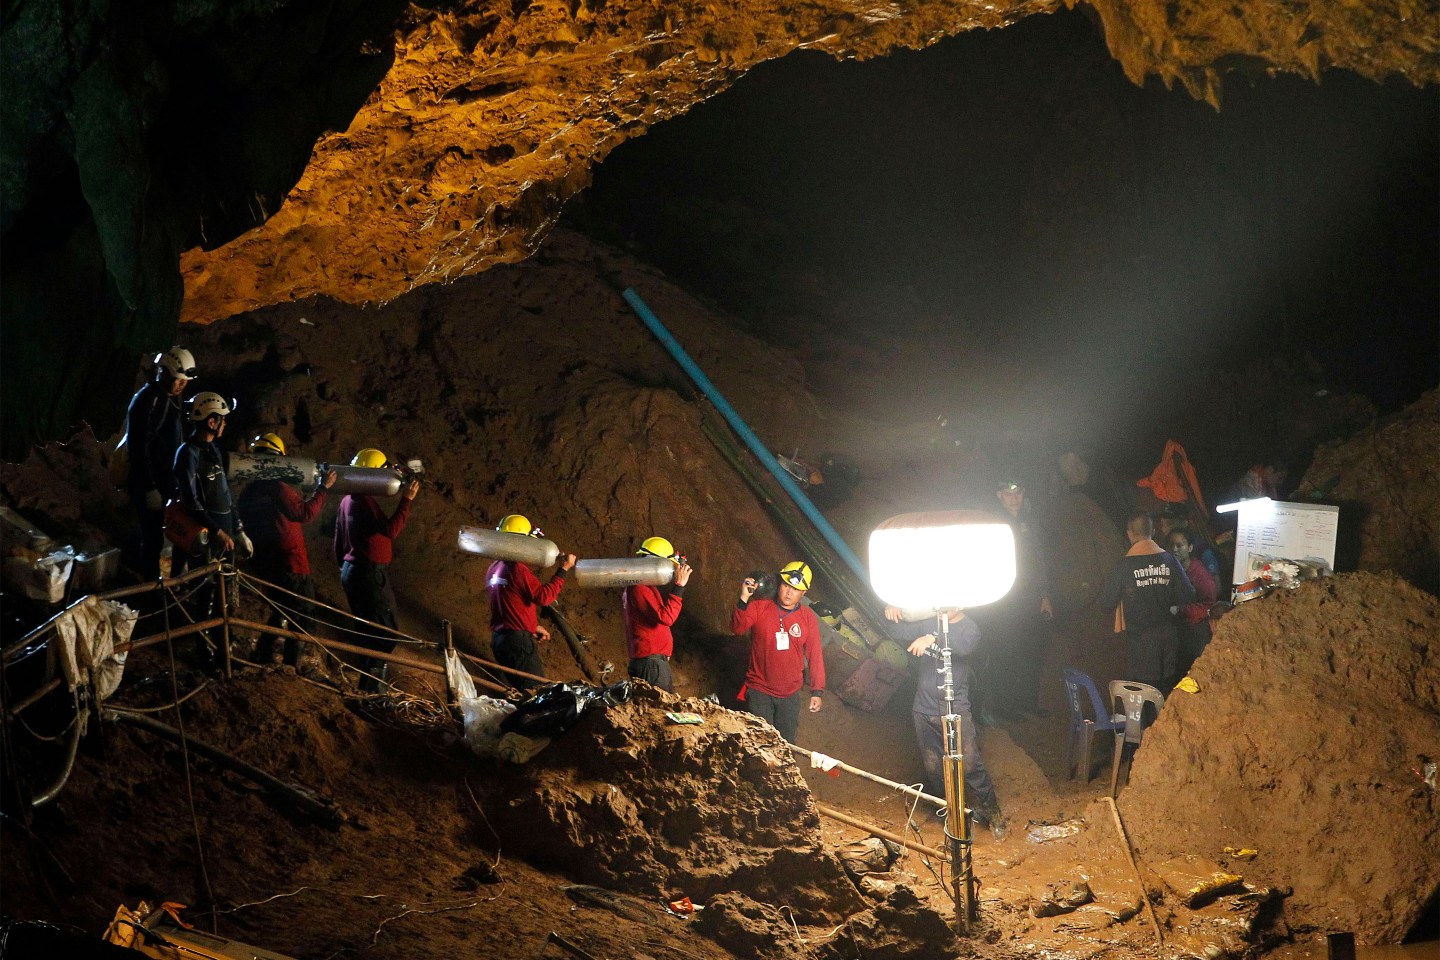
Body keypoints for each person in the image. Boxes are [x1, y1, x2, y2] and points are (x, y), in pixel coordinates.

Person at [886, 606, 1005, 839]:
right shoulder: (931, 621)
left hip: (955, 710)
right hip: (923, 709)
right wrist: (894, 611)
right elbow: (896, 633)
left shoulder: (969, 629)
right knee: (934, 768)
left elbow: (964, 647)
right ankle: (949, 815)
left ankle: (994, 815)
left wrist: (934, 637)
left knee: (970, 766)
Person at [237, 432, 336, 667]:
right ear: (280, 459)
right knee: (302, 616)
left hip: (267, 563)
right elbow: (304, 513)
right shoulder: (277, 488)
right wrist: (323, 489)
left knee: (281, 609)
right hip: (291, 562)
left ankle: (263, 653)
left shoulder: (248, 492)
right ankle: (292, 666)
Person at [170, 392, 252, 671]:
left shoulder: (213, 450)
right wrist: (218, 531)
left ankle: (223, 653)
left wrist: (238, 529)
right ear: (211, 420)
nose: (225, 425)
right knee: (204, 596)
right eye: (222, 420)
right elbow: (191, 502)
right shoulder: (188, 453)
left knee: (224, 597)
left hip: (224, 533)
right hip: (206, 537)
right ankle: (204, 654)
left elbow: (226, 494)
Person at [333, 448, 420, 692]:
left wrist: (346, 569)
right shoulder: (363, 502)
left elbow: (338, 541)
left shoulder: (347, 500)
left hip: (352, 571)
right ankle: (373, 689)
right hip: (368, 573)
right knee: (386, 633)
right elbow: (390, 530)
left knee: (368, 631)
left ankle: (367, 687)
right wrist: (407, 500)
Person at [976, 477, 1054, 722]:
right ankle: (1003, 707)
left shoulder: (1030, 520)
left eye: (1018, 493)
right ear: (999, 495)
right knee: (1004, 652)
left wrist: (1045, 596)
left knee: (1031, 652)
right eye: (1008, 494)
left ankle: (1027, 703)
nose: (1014, 499)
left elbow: (1041, 560)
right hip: (1003, 601)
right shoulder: (992, 522)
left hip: (1029, 599)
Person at [730, 561, 826, 744]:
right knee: (760, 744)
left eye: (795, 589)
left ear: (804, 593)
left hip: (790, 694)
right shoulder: (760, 607)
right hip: (759, 690)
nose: (789, 592)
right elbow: (737, 628)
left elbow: (815, 655)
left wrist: (817, 690)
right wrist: (743, 599)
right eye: (786, 585)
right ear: (779, 583)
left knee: (786, 746)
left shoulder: (807, 618)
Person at [1100, 512, 1196, 689]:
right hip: (1168, 641)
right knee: (1167, 690)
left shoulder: (1123, 566)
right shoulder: (1169, 561)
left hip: (1140, 645)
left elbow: (1106, 603)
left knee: (1143, 694)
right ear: (1153, 531)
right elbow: (1188, 595)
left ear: (1129, 533)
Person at [123, 347, 196, 579]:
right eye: (178, 380)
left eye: (185, 382)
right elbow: (138, 447)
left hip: (164, 481)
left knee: (161, 535)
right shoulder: (148, 400)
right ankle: (149, 587)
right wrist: (148, 486)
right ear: (163, 372)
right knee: (152, 537)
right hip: (149, 481)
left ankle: (162, 580)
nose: (182, 386)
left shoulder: (168, 399)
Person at [486, 514, 577, 688]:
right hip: (517, 643)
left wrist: (531, 625)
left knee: (523, 692)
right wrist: (563, 570)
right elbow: (544, 597)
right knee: (536, 693)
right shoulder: (517, 568)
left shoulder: (494, 567)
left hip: (500, 640)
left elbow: (509, 603)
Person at [622, 536, 693, 693]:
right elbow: (666, 617)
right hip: (651, 665)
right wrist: (679, 586)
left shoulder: (643, 587)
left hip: (652, 664)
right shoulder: (639, 588)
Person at [1167, 526, 1218, 682]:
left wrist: (1181, 610)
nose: (1175, 549)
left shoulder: (1201, 574)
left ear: (1189, 548)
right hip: (1180, 633)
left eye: (1180, 545)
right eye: (1172, 545)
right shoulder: (1170, 571)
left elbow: (1210, 605)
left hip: (1198, 632)